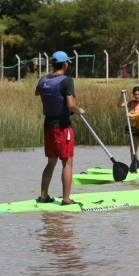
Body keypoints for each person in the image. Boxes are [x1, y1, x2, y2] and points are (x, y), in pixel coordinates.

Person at [35, 51, 84, 205]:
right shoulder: (67, 81)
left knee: (51, 162)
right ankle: (66, 199)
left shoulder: (43, 80)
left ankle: (43, 196)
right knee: (67, 162)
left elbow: (37, 92)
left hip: (48, 126)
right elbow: (70, 104)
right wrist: (79, 110)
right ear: (65, 64)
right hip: (63, 127)